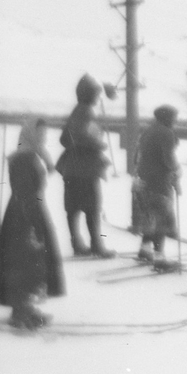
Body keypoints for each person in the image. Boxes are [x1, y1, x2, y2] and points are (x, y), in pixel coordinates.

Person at [0, 126, 65, 329]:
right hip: (25, 213)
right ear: (31, 136)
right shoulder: (24, 159)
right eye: (40, 135)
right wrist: (33, 222)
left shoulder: (28, 154)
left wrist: (44, 156)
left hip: (27, 209)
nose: (43, 139)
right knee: (25, 260)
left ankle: (25, 307)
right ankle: (21, 310)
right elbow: (26, 189)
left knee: (31, 261)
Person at [56, 74, 114, 257]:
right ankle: (96, 245)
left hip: (71, 169)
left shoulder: (75, 111)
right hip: (87, 170)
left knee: (73, 209)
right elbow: (84, 137)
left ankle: (76, 244)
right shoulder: (88, 112)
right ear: (90, 94)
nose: (99, 98)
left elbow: (64, 138)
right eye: (97, 94)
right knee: (93, 208)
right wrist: (99, 144)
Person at [133, 105, 183, 268]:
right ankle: (160, 258)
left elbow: (136, 156)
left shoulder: (147, 131)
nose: (176, 121)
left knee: (150, 217)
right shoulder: (166, 133)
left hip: (142, 180)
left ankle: (145, 250)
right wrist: (177, 170)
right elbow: (168, 158)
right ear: (167, 118)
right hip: (159, 181)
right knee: (161, 217)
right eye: (174, 118)